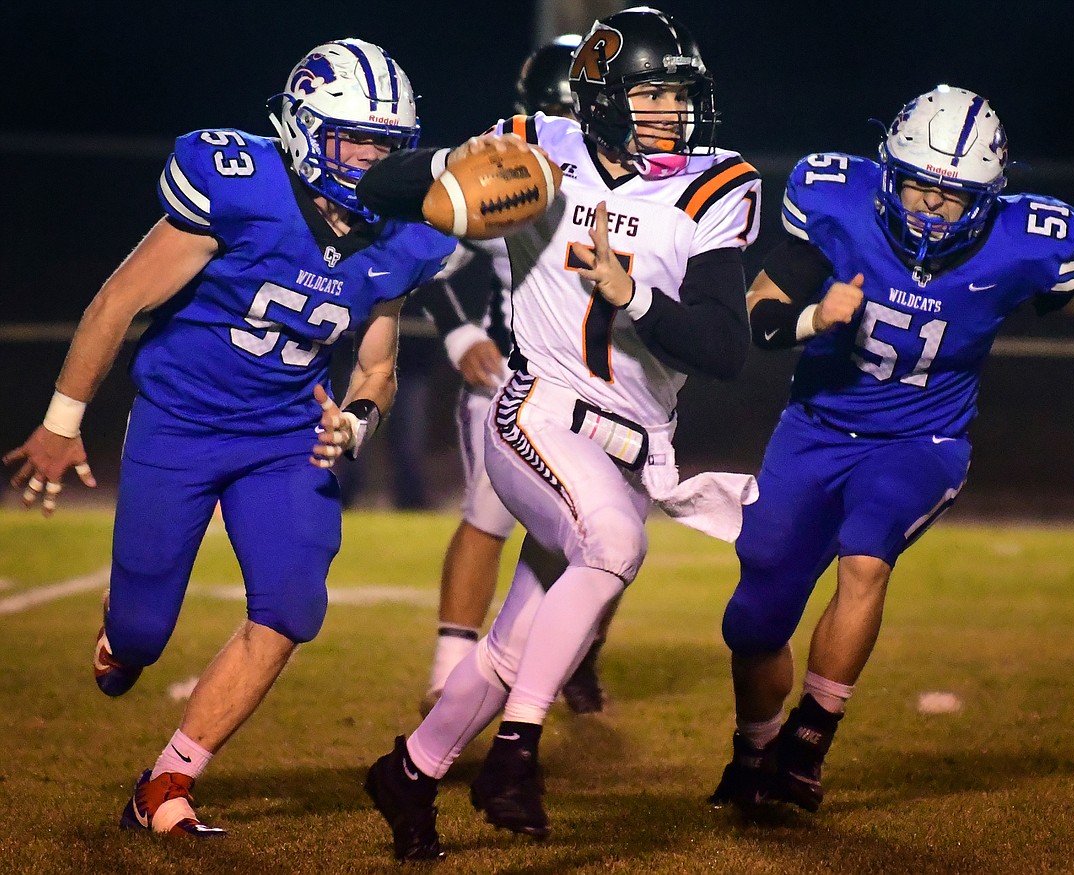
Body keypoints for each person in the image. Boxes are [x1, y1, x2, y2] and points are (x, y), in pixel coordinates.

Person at [2, 39, 459, 836]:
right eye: (355, 139)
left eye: (387, 145)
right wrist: (60, 424)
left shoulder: (400, 237)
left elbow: (377, 366)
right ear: (304, 130)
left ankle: (166, 782)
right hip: (179, 424)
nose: (371, 160)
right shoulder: (241, 186)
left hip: (284, 434)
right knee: (139, 639)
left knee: (291, 604)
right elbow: (117, 302)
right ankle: (127, 620)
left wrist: (353, 425)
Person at [356, 8, 762, 860]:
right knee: (613, 545)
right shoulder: (537, 147)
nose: (671, 111)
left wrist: (634, 295)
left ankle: (411, 770)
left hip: (630, 448)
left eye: (678, 93)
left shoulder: (713, 184)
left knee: (514, 648)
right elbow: (390, 185)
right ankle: (514, 752)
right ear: (603, 99)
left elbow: (728, 347)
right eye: (651, 93)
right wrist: (446, 181)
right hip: (534, 411)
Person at [709, 84, 1074, 815]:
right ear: (887, 172)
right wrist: (817, 316)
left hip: (921, 439)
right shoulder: (836, 202)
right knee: (755, 618)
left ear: (990, 196)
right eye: (916, 186)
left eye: (953, 197)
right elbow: (760, 315)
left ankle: (808, 744)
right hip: (815, 428)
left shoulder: (1025, 241)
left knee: (866, 557)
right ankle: (755, 750)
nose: (929, 210)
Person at [413, 33, 616, 718]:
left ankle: (577, 653)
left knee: (601, 534)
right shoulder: (513, 180)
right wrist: (460, 331)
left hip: (600, 391)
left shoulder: (641, 184)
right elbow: (421, 261)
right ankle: (449, 667)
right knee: (489, 514)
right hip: (513, 378)